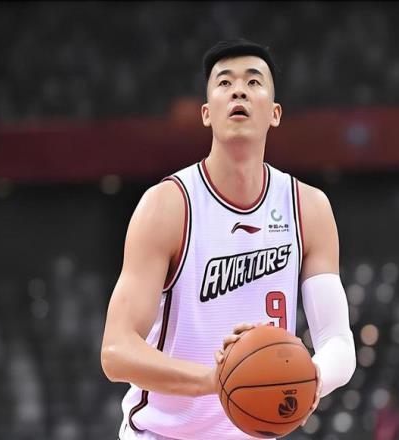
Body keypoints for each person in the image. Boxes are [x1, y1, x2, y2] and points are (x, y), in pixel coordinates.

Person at [101, 39, 356, 440]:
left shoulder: (308, 208)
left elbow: (338, 341)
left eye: (253, 82)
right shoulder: (168, 206)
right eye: (224, 83)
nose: (239, 90)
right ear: (206, 113)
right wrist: (214, 379)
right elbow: (116, 352)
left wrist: (311, 379)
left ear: (275, 113)